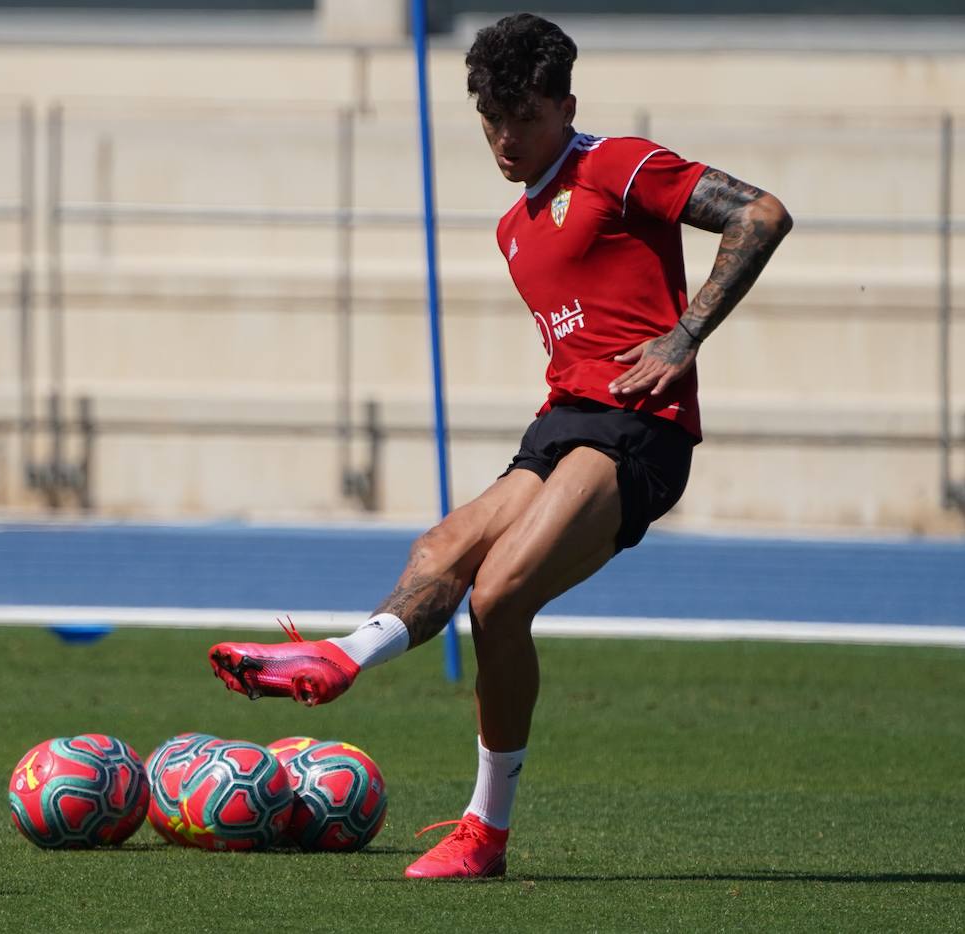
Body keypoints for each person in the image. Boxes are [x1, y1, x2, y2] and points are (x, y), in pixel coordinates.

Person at [209, 12, 791, 879]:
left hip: (641, 428)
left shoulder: (617, 164)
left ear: (566, 106)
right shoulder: (512, 229)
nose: (506, 139)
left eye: (524, 118)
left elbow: (761, 214)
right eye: (492, 120)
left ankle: (486, 832)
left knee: (501, 594)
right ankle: (340, 658)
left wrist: (683, 339)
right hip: (562, 422)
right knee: (442, 548)